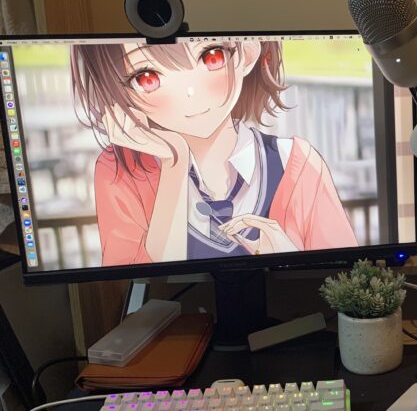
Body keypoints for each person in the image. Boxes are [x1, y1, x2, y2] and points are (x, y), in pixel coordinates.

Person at [71, 39, 357, 266]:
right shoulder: (120, 171)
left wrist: (291, 259)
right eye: (147, 78)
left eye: (211, 57)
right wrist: (175, 162)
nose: (190, 93)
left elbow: (349, 281)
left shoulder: (297, 163)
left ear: (246, 54)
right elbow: (145, 285)